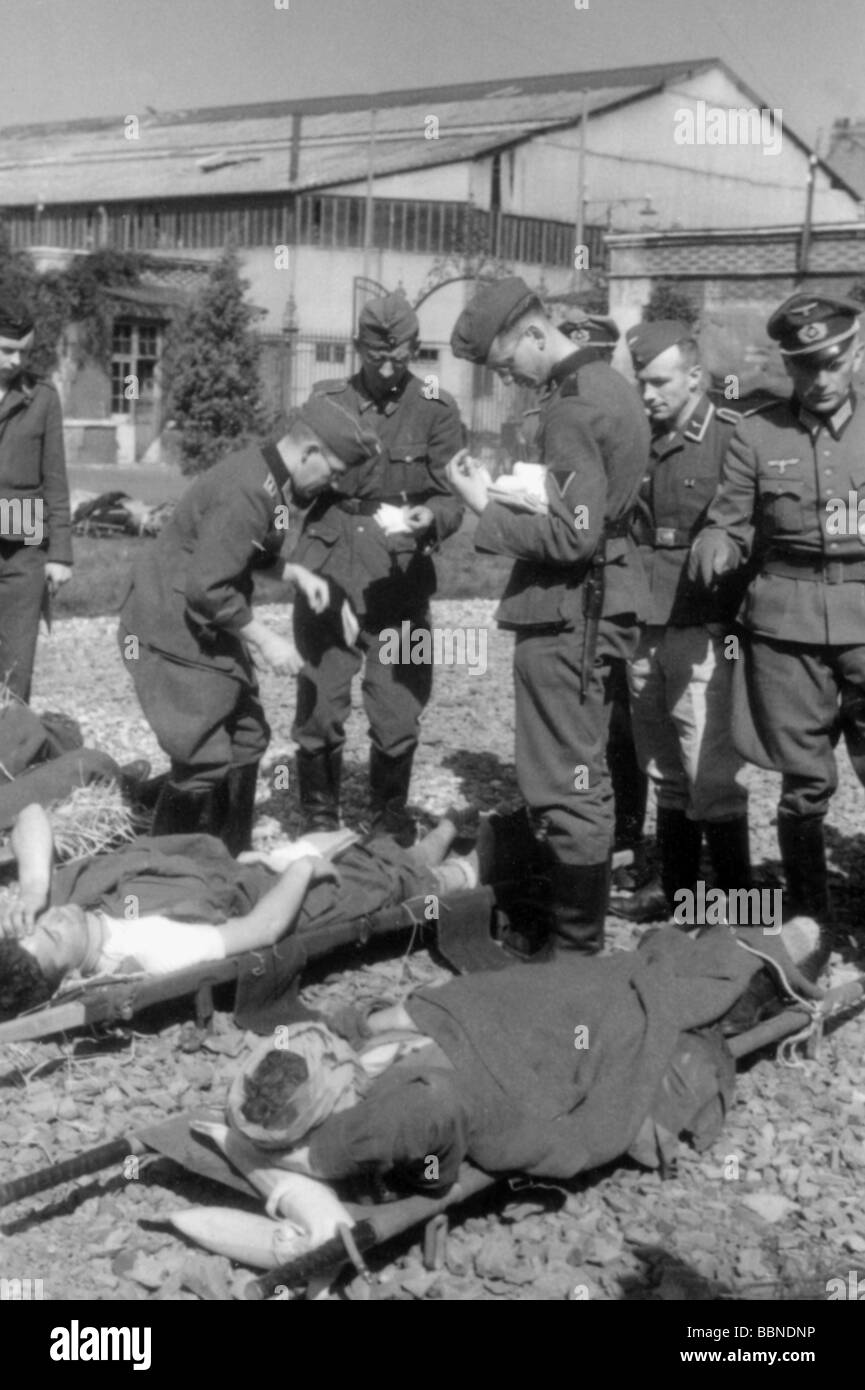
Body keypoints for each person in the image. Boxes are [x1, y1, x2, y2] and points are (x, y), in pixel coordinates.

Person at [225, 914, 823, 1195]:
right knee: (686, 995)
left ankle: (729, 943)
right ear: (332, 1102)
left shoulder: (364, 1063)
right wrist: (313, 1160)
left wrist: (358, 1026)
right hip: (564, 1051)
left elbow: (429, 1009)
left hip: (538, 1003)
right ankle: (761, 956)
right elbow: (428, 1111)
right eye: (329, 1056)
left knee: (634, 970)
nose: (333, 1048)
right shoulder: (400, 1105)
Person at [447, 277, 649, 954]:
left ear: (535, 334)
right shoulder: (605, 385)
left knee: (566, 781)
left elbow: (572, 536)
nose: (507, 379)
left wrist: (483, 504)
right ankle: (568, 937)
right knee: (576, 770)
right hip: (592, 601)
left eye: (508, 364)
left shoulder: (570, 410)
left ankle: (571, 953)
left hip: (569, 611)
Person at [118, 396, 378, 856]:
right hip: (170, 627)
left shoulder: (266, 476)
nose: (332, 484)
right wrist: (267, 640)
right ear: (309, 452)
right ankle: (161, 879)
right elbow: (208, 589)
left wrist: (293, 573)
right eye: (333, 472)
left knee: (247, 736)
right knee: (201, 757)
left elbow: (245, 548)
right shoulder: (251, 490)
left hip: (198, 622)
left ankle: (228, 860)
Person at [690, 292, 865, 930]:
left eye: (831, 361)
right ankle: (810, 919)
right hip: (787, 629)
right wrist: (717, 543)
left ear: (856, 351)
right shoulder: (758, 434)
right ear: (787, 366)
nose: (818, 379)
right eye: (803, 365)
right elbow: (729, 520)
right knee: (803, 782)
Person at [0, 803, 480, 1019]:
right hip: (279, 898)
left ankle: (446, 828)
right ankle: (475, 853)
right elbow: (262, 928)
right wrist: (300, 871)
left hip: (241, 872)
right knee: (395, 881)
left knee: (374, 857)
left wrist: (35, 887)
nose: (54, 921)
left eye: (40, 924)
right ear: (67, 976)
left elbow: (31, 814)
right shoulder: (151, 950)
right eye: (54, 938)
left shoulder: (62, 903)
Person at [290, 293, 464, 838]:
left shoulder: (437, 406)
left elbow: (453, 494)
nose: (388, 368)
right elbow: (291, 475)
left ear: (415, 348)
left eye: (401, 355)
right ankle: (320, 816)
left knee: (398, 706)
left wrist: (428, 518)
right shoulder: (326, 398)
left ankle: (388, 820)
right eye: (375, 355)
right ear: (357, 346)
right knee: (321, 698)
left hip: (400, 574)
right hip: (331, 562)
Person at [614, 321, 751, 923]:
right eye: (641, 382)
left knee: (708, 767)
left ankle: (739, 902)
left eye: (660, 382)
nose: (647, 394)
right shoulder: (641, 437)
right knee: (662, 761)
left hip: (701, 621)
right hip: (646, 618)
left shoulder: (730, 436)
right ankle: (678, 890)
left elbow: (746, 532)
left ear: (695, 377)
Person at [0, 301, 73, 702]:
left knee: (16, 664)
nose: (17, 360)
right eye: (7, 350)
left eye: (24, 352)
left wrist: (60, 554)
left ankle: (9, 756)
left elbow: (55, 479)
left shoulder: (42, 397)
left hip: (23, 549)